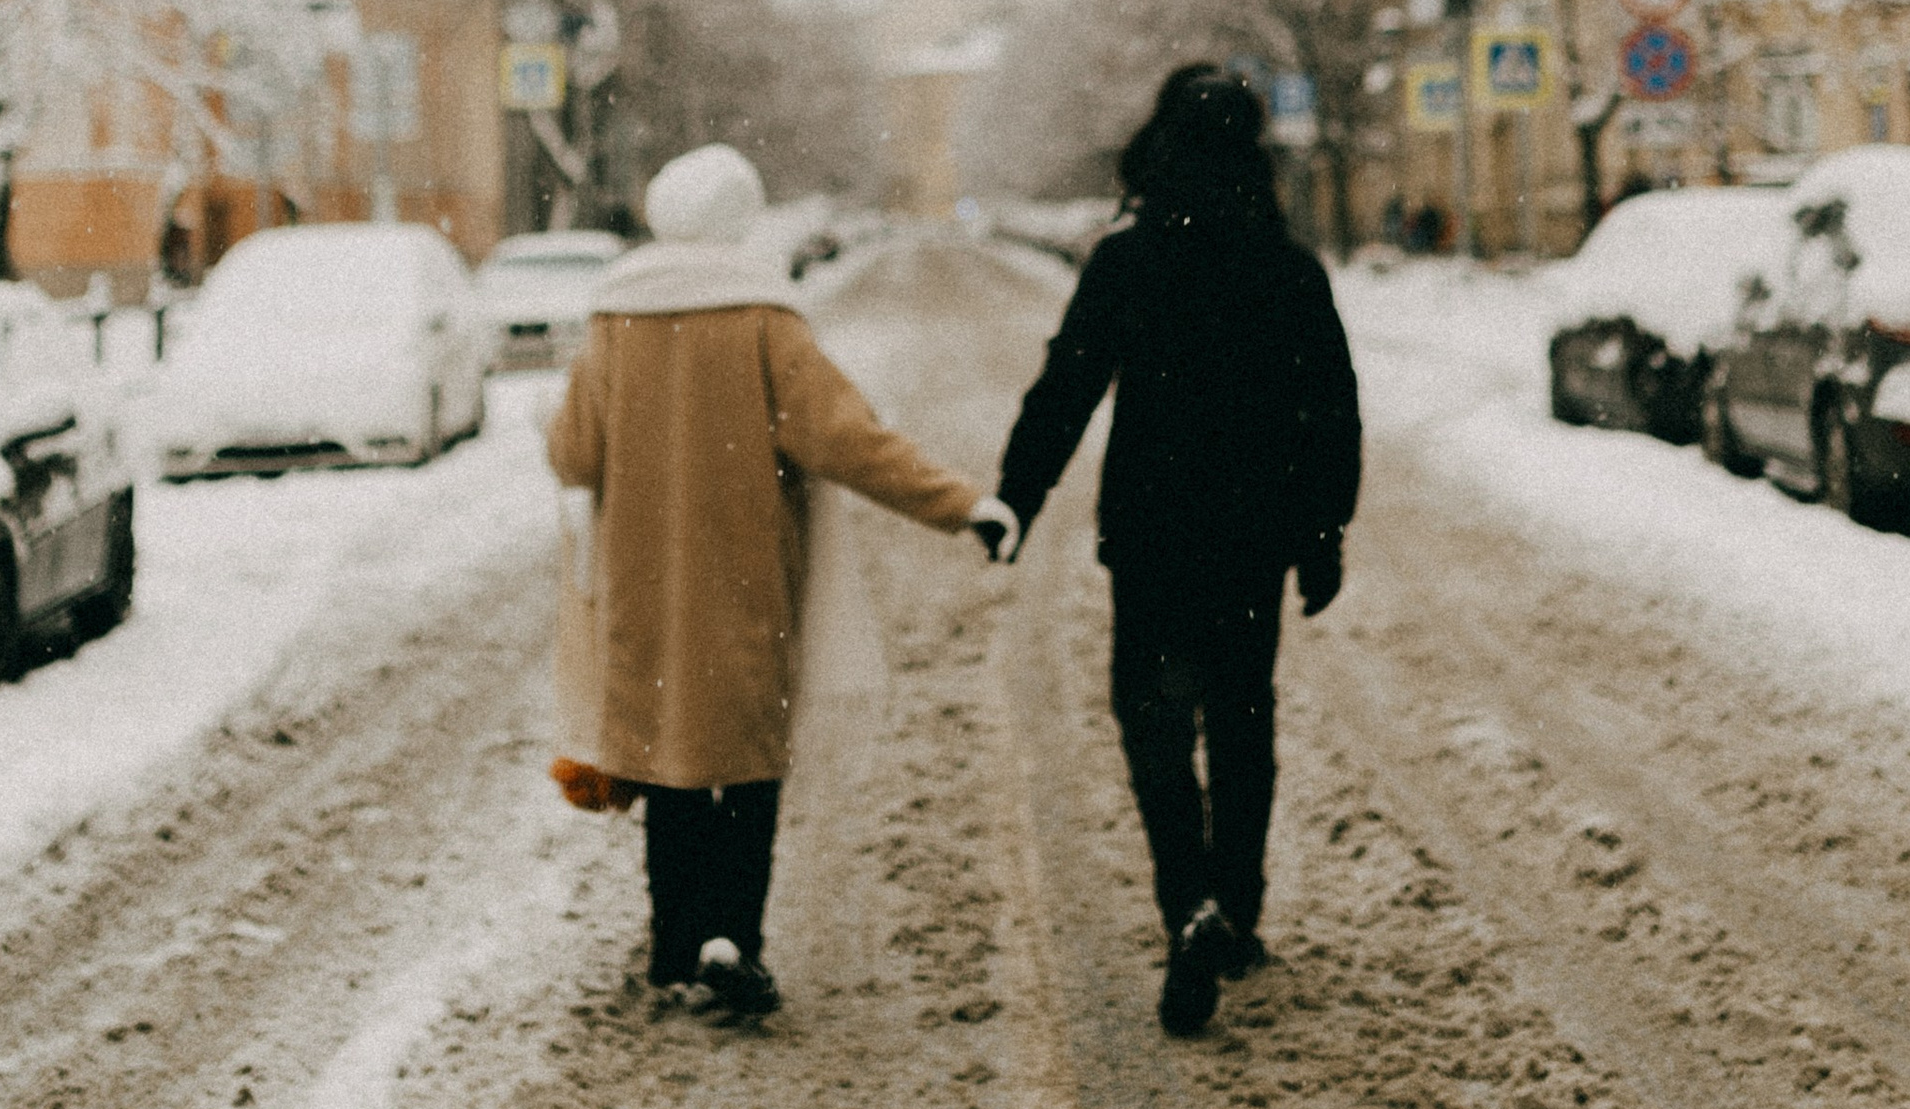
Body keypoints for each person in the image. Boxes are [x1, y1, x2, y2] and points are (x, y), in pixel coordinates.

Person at [547, 141, 1015, 1016]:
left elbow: (572, 451)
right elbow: (849, 441)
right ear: (739, 218)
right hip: (746, 577)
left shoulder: (615, 318)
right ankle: (734, 935)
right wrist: (959, 505)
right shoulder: (764, 316)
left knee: (667, 755)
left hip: (642, 588)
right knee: (746, 760)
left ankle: (676, 943)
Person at [993, 66, 1362, 1036]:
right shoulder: (1287, 270)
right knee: (1243, 722)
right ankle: (1235, 912)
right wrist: (1323, 532)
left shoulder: (1128, 261)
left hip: (1153, 535)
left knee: (1154, 723)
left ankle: (1185, 897)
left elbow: (1065, 388)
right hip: (1254, 538)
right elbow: (1330, 409)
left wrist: (1016, 499)